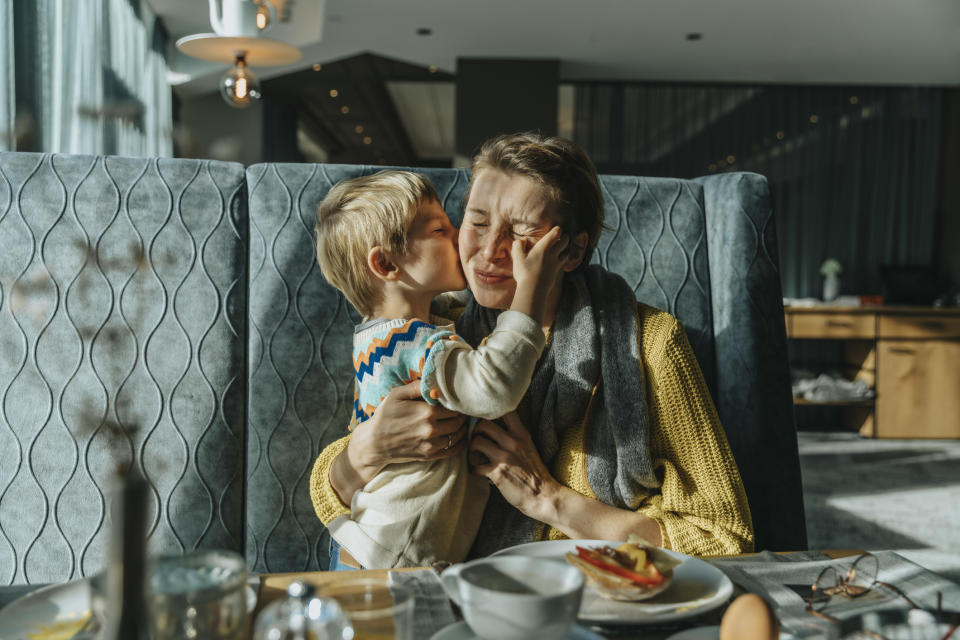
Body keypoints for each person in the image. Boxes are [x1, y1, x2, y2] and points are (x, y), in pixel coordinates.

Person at [310, 134, 755, 561]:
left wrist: (548, 499)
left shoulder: (652, 344)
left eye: (522, 232)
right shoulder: (439, 325)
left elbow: (724, 539)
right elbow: (335, 495)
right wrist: (367, 450)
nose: (489, 251)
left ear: (572, 251)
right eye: (477, 222)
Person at [313, 170, 568, 569]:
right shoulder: (416, 343)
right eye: (438, 230)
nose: (460, 238)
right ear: (384, 263)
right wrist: (529, 296)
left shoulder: (381, 335)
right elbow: (492, 386)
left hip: (371, 544)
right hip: (394, 558)